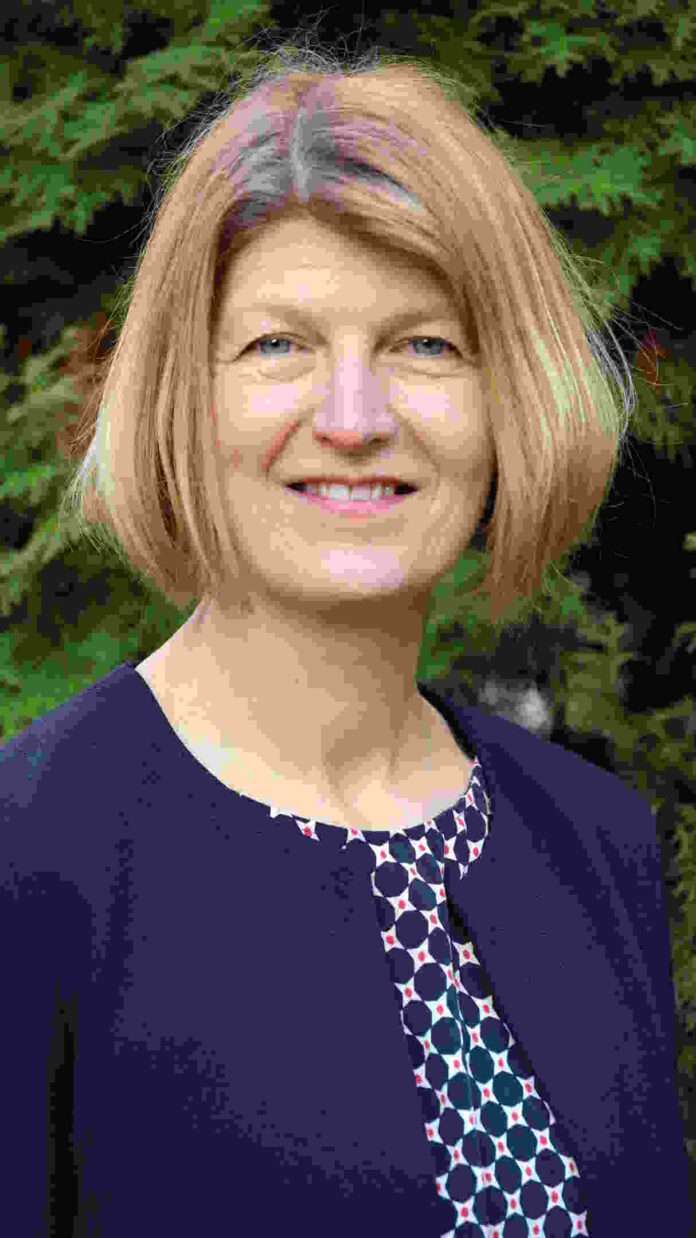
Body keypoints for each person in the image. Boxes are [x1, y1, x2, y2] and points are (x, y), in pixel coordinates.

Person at [1, 42, 691, 1237]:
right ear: (183, 397)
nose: (356, 417)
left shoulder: (594, 841)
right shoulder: (33, 852)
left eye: (427, 344)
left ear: (508, 398)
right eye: (280, 345)